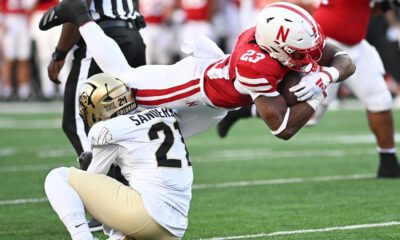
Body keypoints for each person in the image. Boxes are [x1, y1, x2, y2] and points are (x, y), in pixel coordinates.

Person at [39, 1, 355, 142]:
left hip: (217, 105)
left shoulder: (280, 40)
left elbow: (343, 57)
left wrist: (327, 75)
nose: (309, 58)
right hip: (194, 86)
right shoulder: (256, 63)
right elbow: (282, 129)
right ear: (277, 47)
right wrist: (319, 96)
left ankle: (122, 164)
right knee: (124, 77)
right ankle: (80, 14)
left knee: (174, 136)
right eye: (300, 54)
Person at [217, 0, 400, 178]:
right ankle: (245, 110)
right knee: (309, 114)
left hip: (357, 45)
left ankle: (388, 162)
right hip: (318, 43)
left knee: (380, 98)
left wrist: (386, 5)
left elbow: (366, 9)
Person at [44, 73, 193, 240]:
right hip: (175, 228)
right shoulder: (165, 114)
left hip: (146, 215)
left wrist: (87, 166)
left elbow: (93, 182)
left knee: (57, 177)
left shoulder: (111, 129)